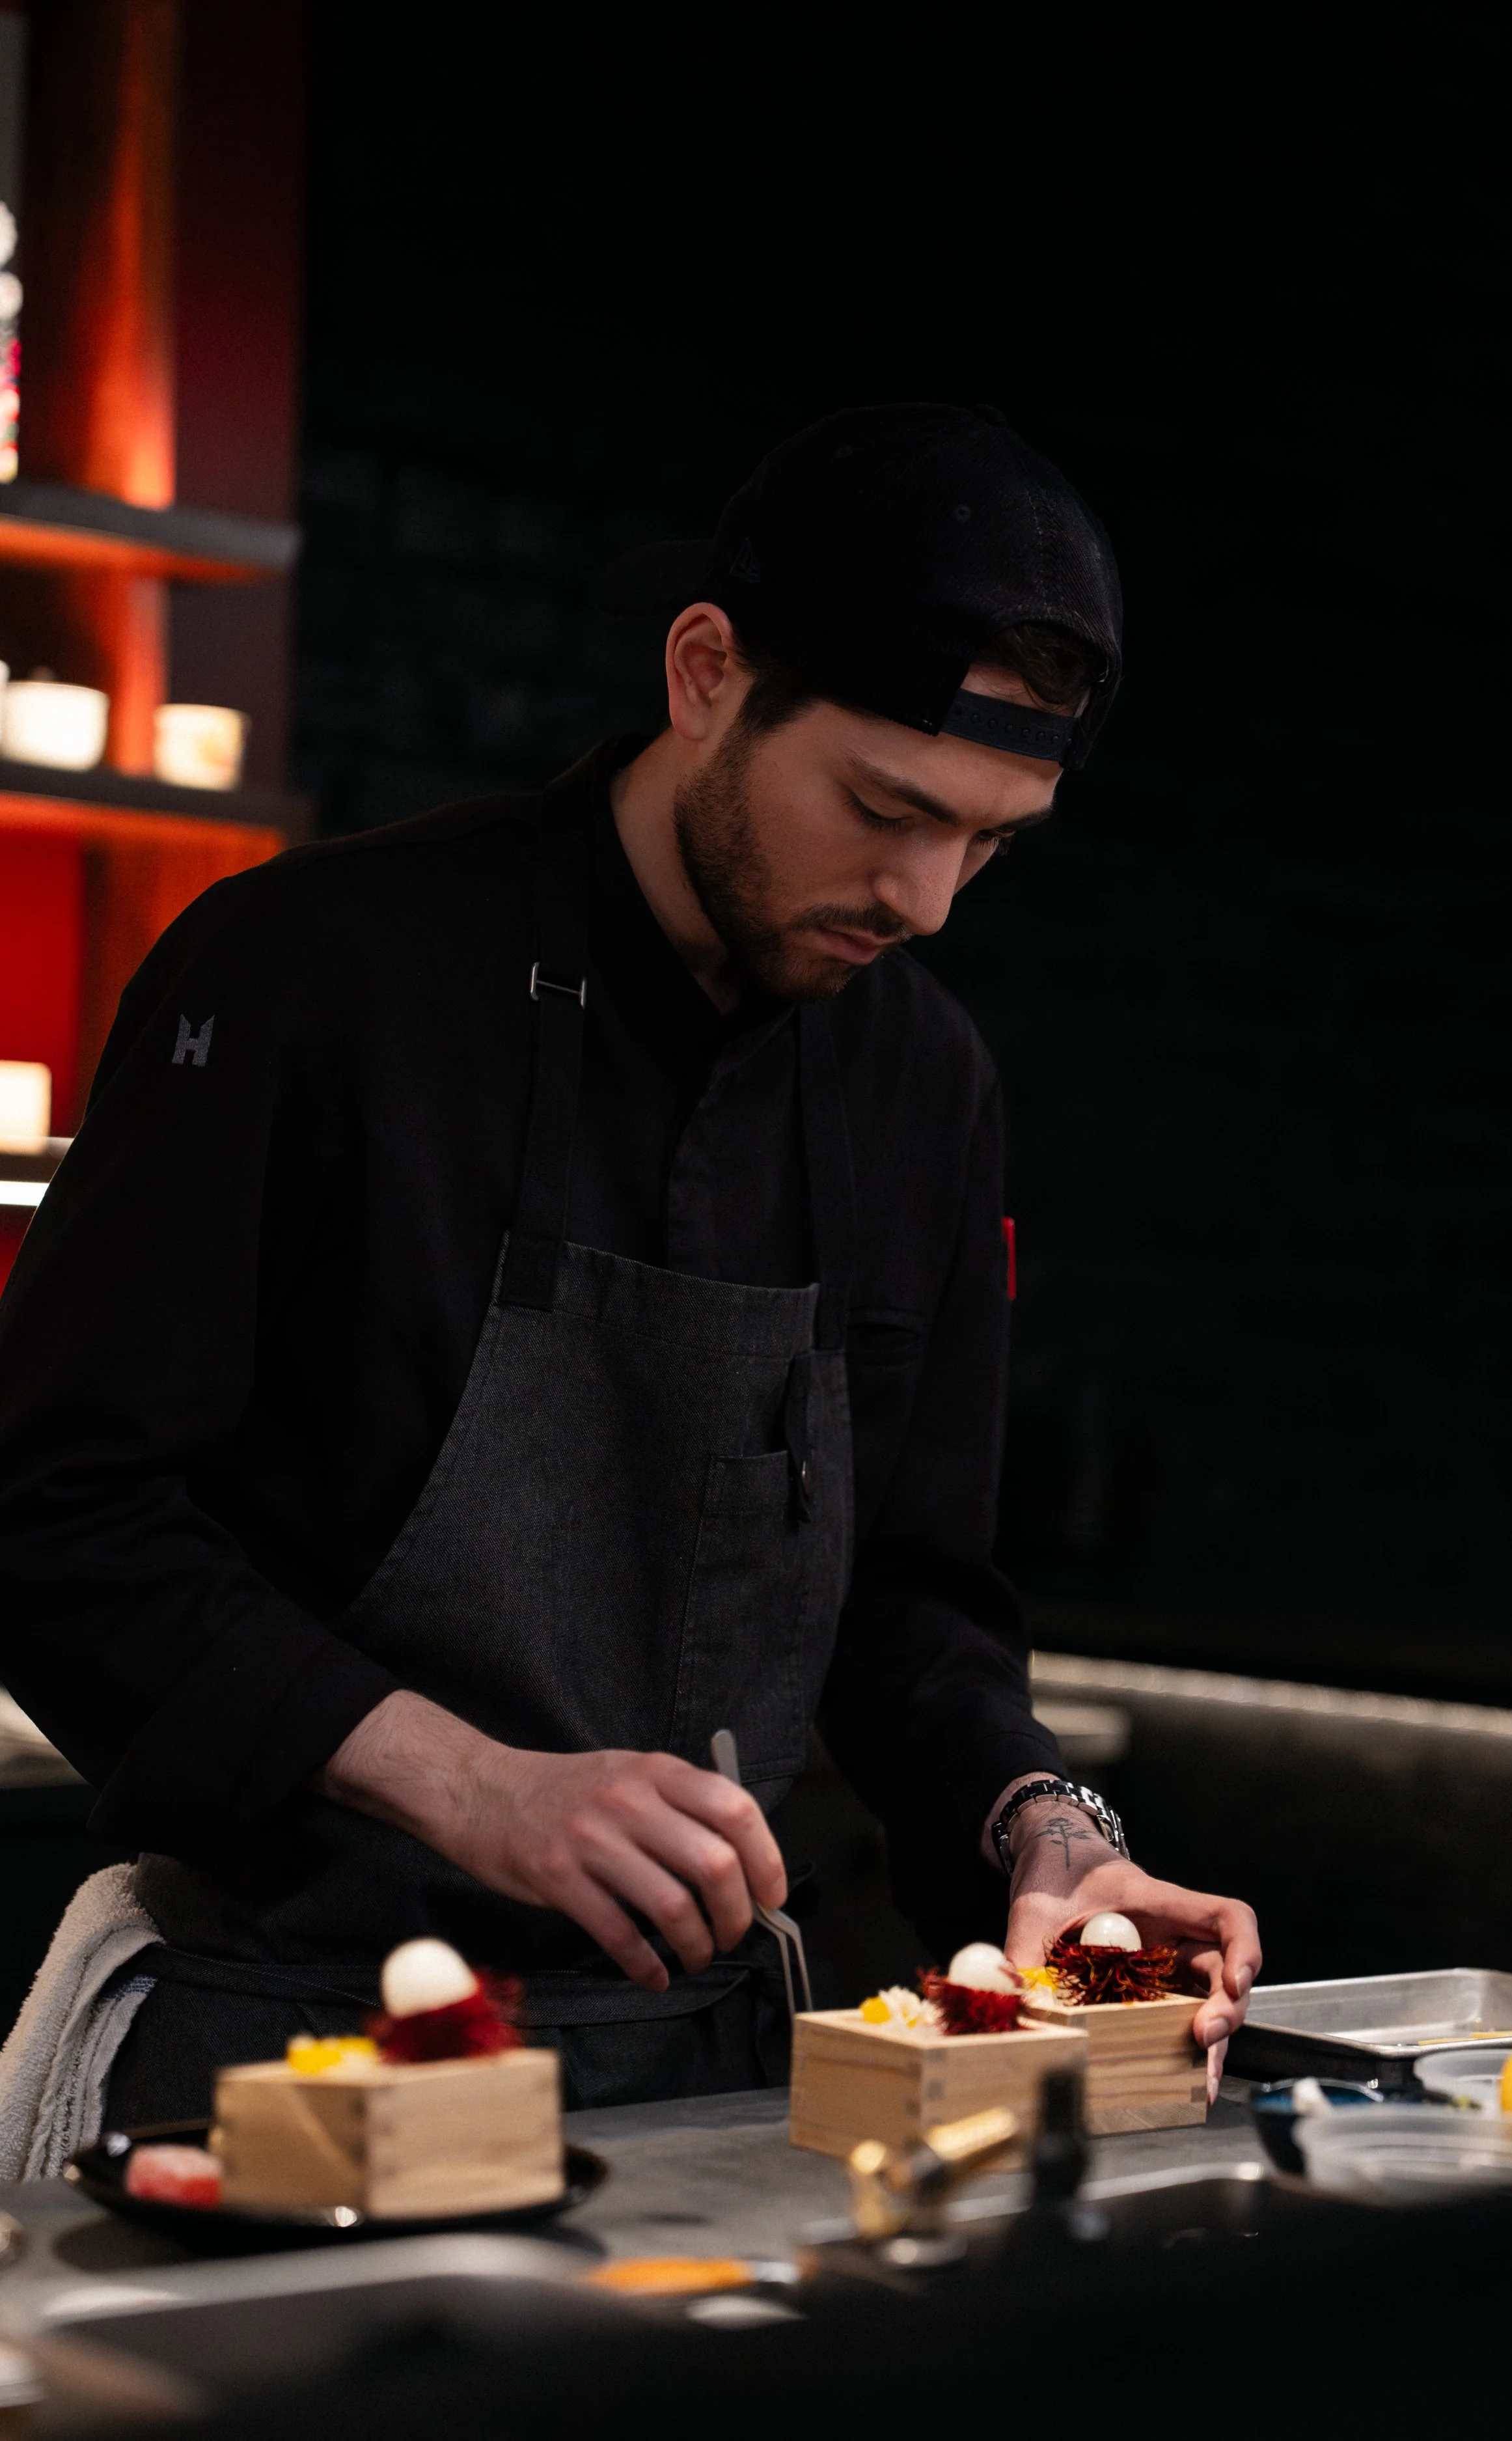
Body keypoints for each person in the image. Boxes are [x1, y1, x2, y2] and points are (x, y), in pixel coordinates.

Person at [0, 403, 1259, 2119]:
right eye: (884, 806)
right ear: (702, 673)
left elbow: (908, 1603)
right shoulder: (310, 975)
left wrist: (1043, 1829)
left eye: (989, 838)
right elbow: (54, 1513)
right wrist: (466, 1780)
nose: (928, 895)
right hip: (268, 2050)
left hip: (712, 2094)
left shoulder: (921, 1086)